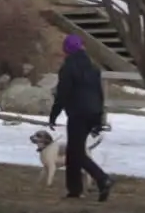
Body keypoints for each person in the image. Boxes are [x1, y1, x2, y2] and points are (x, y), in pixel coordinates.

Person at [48, 34, 114, 201]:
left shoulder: (68, 68)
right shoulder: (93, 67)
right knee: (73, 150)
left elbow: (62, 94)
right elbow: (99, 94)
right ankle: (74, 190)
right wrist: (99, 118)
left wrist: (54, 113)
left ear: (67, 50)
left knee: (76, 152)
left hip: (78, 113)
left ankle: (102, 178)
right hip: (93, 112)